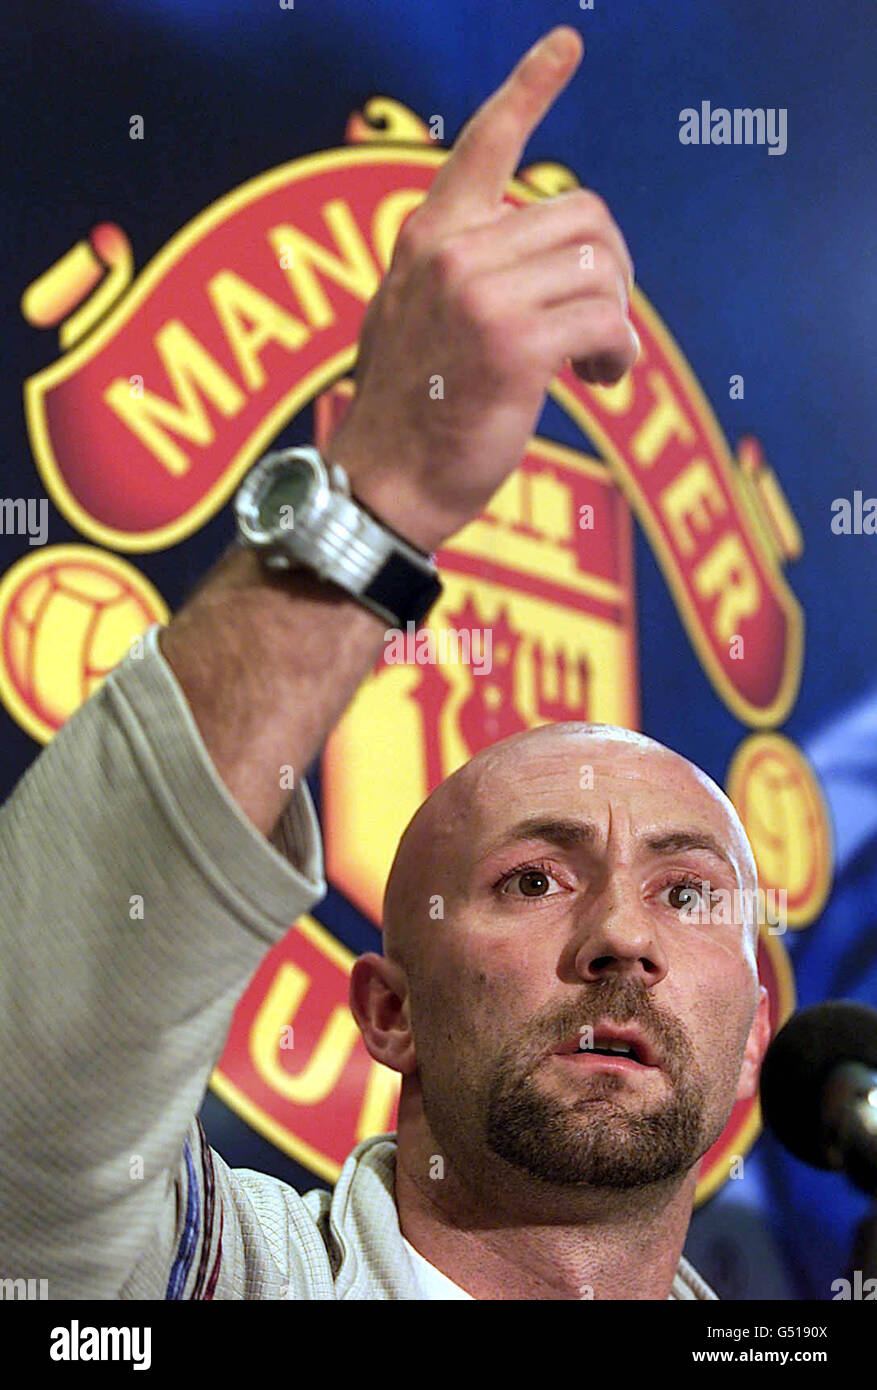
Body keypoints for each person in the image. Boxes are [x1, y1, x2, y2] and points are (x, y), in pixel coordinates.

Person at [0, 26, 770, 1300]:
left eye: (690, 896)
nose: (623, 938)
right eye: (531, 878)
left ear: (751, 1046)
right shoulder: (224, 1278)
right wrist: (381, 490)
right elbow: (30, 1117)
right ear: (387, 1014)